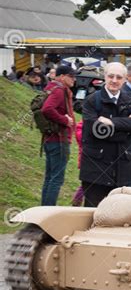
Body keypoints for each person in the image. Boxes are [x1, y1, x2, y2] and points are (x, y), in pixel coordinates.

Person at [80, 62, 131, 207]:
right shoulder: (92, 101)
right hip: (96, 170)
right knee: (92, 213)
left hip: (123, 170)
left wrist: (112, 123)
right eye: (111, 76)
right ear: (105, 77)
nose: (114, 80)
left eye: (119, 77)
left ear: (124, 80)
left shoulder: (130, 101)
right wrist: (126, 128)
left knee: (119, 214)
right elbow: (96, 130)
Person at [40, 65, 76, 205]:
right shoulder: (60, 90)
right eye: (71, 76)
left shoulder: (51, 87)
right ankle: (48, 214)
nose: (74, 79)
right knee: (56, 179)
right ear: (62, 76)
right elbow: (47, 109)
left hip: (50, 139)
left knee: (50, 178)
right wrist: (65, 120)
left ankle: (42, 213)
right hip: (59, 140)